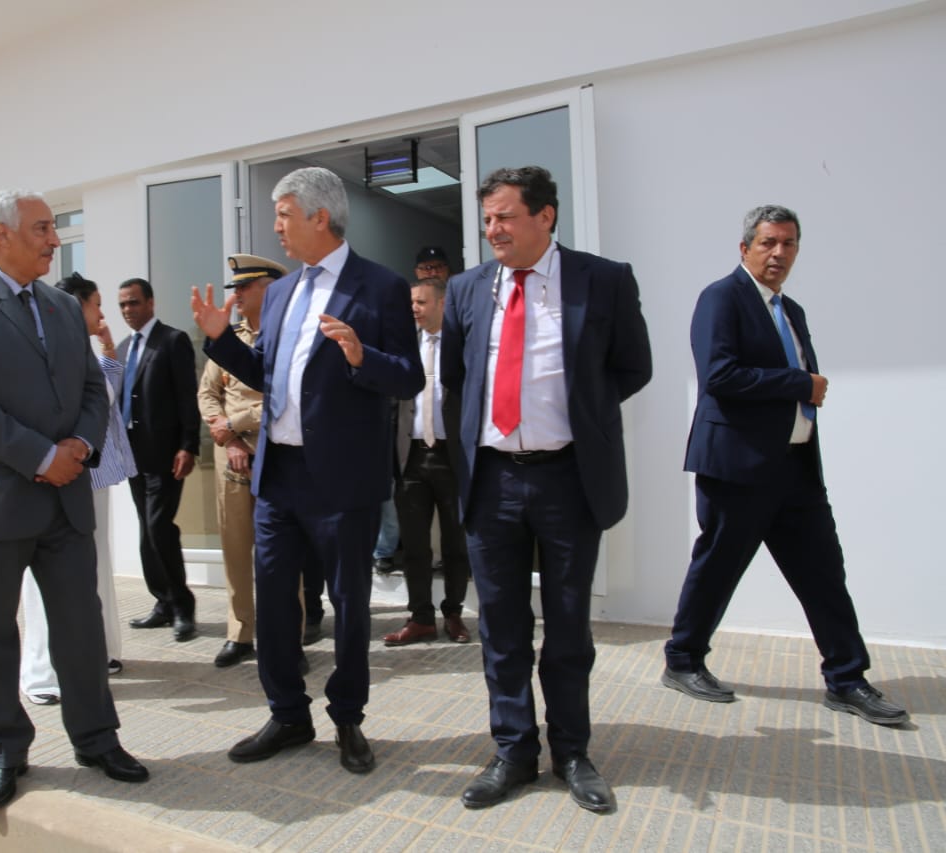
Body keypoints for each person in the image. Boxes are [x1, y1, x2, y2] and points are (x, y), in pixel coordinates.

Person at [191, 166, 422, 774]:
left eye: (284, 215)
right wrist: (221, 339)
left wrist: (361, 356)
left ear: (321, 217)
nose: (277, 227)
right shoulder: (283, 292)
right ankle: (288, 714)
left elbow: (409, 376)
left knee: (349, 605)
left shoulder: (381, 287)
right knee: (274, 601)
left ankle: (348, 717)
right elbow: (266, 372)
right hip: (279, 476)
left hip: (343, 480)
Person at [0, 189, 147, 810]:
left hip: (65, 499)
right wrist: (41, 456)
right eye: (43, 228)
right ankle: (4, 750)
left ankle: (97, 740)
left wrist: (78, 443)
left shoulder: (62, 307)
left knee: (81, 627)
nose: (55, 239)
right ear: (1, 235)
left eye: (54, 227)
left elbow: (93, 389)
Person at [440, 166, 652, 812]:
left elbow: (634, 367)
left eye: (505, 216)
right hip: (493, 480)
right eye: (487, 219)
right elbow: (456, 380)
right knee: (500, 628)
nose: (493, 230)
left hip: (568, 479)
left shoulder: (603, 280)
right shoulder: (466, 289)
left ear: (545, 215)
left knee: (567, 627)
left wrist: (580, 414)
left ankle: (572, 752)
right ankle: (513, 751)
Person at [661, 205, 909, 727]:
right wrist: (801, 384)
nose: (778, 253)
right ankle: (682, 660)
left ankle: (847, 679)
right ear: (745, 248)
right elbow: (720, 375)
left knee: (824, 573)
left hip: (796, 468)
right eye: (768, 242)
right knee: (718, 567)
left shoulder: (791, 309)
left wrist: (803, 391)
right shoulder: (721, 297)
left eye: (788, 244)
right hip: (737, 467)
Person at [19, 273, 135, 704]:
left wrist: (107, 350)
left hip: (91, 476)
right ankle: (41, 673)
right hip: (53, 476)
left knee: (94, 568)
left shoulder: (80, 349)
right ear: (72, 306)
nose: (102, 314)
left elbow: (105, 397)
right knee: (44, 577)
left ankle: (99, 651)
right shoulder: (42, 348)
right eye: (96, 304)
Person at [197, 254, 287, 668]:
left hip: (276, 451)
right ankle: (240, 632)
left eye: (245, 287)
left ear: (270, 289)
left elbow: (284, 398)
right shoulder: (229, 338)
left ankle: (287, 637)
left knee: (282, 553)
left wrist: (236, 423)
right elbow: (207, 393)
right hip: (231, 458)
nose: (236, 295)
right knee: (235, 549)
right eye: (235, 287)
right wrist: (227, 435)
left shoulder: (286, 336)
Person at [383, 276, 472, 647]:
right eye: (411, 303)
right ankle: (420, 618)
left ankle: (453, 613)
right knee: (415, 545)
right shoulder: (406, 346)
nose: (414, 309)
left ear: (442, 303)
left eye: (421, 302)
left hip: (452, 457)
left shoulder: (462, 346)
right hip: (412, 457)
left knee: (455, 544)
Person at [118, 277, 202, 642]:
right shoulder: (123, 348)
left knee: (158, 526)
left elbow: (187, 396)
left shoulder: (172, 340)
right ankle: (163, 603)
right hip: (132, 455)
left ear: (150, 303)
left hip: (166, 455)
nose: (127, 310)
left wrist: (188, 445)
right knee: (146, 530)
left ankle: (183, 606)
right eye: (123, 304)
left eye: (133, 302)